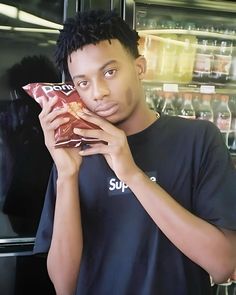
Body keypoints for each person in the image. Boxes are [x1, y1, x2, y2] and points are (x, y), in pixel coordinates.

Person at [33, 9, 236, 295]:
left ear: (140, 67)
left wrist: (132, 174)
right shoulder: (75, 156)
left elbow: (223, 263)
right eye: (83, 82)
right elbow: (64, 285)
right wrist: (66, 175)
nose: (99, 92)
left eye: (110, 72)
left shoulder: (198, 139)